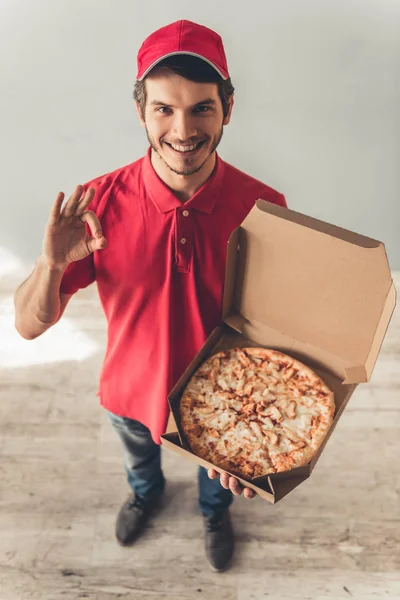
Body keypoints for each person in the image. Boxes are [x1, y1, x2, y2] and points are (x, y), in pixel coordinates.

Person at [14, 19, 287, 572]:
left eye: (201, 108)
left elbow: (276, 328)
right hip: (130, 392)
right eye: (164, 108)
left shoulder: (266, 206)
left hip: (221, 403)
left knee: (216, 486)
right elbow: (27, 326)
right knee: (140, 463)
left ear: (227, 108)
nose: (182, 129)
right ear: (140, 111)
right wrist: (50, 263)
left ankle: (215, 511)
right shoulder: (97, 205)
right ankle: (145, 494)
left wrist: (254, 431)